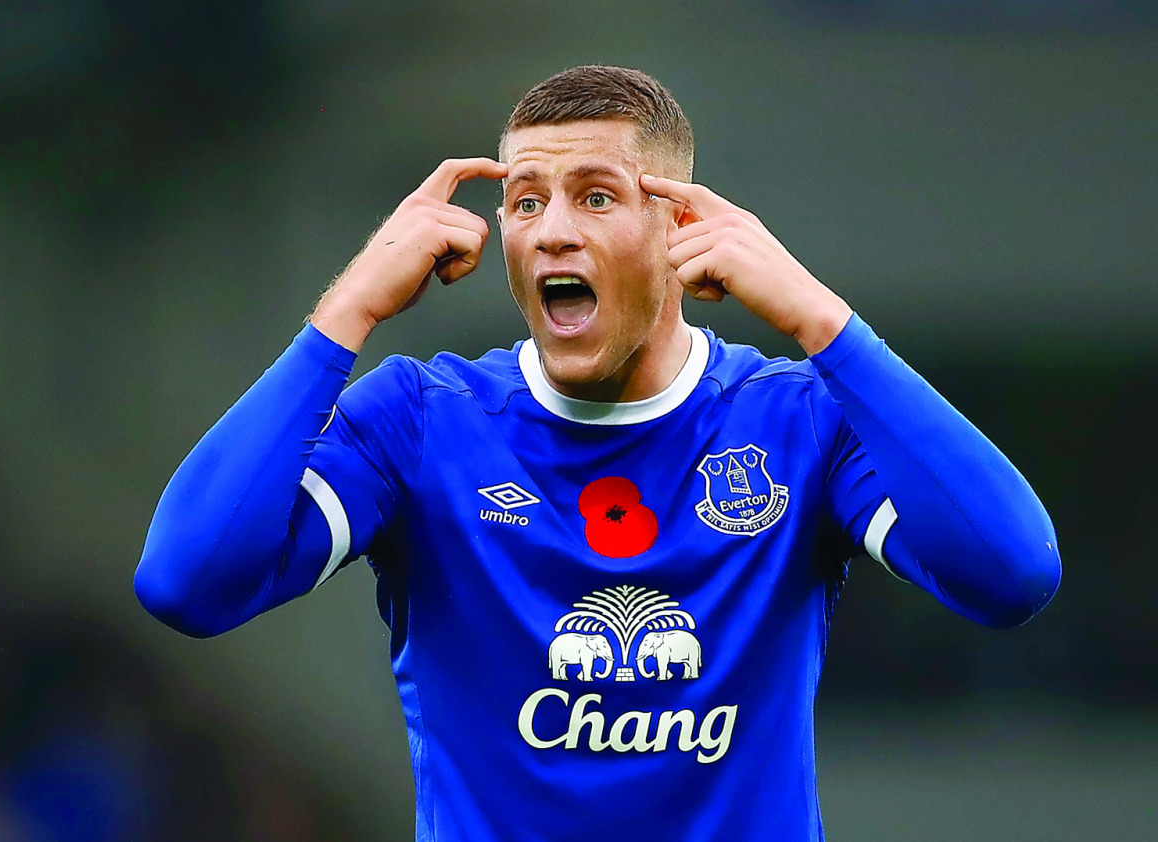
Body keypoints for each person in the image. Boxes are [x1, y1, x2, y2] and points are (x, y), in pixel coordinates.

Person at [135, 65, 1061, 840]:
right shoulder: (421, 421)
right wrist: (346, 315)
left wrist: (825, 324)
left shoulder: (796, 422)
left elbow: (1011, 572)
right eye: (524, 201)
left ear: (680, 228)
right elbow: (187, 582)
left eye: (596, 196)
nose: (551, 230)